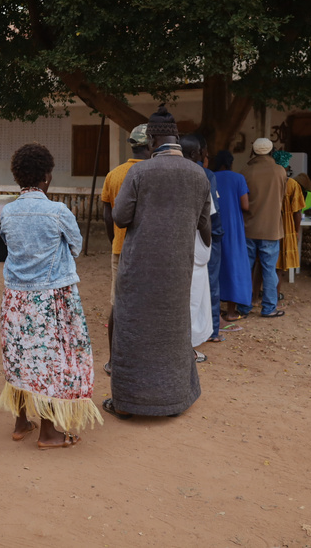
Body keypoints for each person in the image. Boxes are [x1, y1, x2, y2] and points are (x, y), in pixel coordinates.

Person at [104, 105, 211, 419]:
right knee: (174, 332)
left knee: (133, 331)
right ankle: (174, 400)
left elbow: (120, 217)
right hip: (178, 269)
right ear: (176, 138)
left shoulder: (139, 172)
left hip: (139, 269)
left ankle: (127, 403)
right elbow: (204, 225)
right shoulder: (198, 174)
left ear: (151, 140)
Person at [0, 143, 103, 449]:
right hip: (52, 297)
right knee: (52, 359)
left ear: (18, 177)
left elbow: (8, 243)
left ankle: (20, 422)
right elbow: (76, 246)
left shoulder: (9, 212)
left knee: (19, 356)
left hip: (15, 298)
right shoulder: (58, 212)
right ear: (47, 176)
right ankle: (49, 432)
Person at [100, 124, 151, 374]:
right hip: (149, 251)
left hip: (120, 249)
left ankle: (113, 360)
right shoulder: (154, 173)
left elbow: (107, 214)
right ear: (151, 144)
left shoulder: (115, 174)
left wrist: (115, 240)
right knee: (148, 304)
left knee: (117, 304)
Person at [239, 138, 287, 318]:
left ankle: (243, 307)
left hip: (249, 227)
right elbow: (281, 197)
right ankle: (269, 308)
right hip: (271, 228)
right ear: (272, 151)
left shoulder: (245, 171)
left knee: (247, 268)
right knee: (269, 269)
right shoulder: (280, 171)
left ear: (253, 151)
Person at [181, 134, 219, 356]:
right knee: (194, 300)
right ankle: (188, 349)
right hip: (194, 248)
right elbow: (206, 219)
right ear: (195, 154)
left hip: (170, 248)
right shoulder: (200, 176)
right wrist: (206, 246)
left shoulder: (165, 174)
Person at [212, 150, 251, 323]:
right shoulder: (238, 178)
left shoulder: (209, 176)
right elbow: (245, 205)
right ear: (230, 163)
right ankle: (231, 311)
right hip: (233, 227)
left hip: (213, 225)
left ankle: (214, 310)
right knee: (233, 266)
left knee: (215, 266)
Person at [272, 150, 304, 299]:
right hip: (285, 228)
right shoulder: (292, 185)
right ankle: (275, 295)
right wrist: (296, 231)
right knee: (279, 266)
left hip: (268, 225)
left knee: (264, 264)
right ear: (286, 168)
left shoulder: (269, 182)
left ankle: (258, 295)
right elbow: (297, 212)